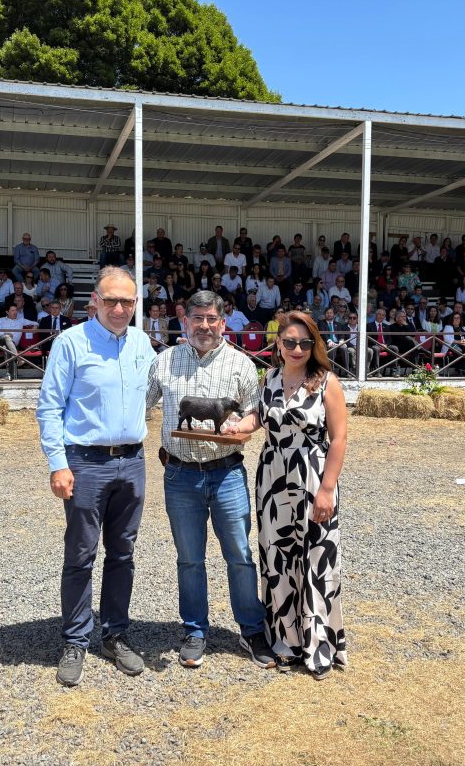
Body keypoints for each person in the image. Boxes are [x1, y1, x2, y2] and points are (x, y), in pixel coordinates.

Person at [145, 290, 277, 671]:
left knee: (240, 555)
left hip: (227, 472)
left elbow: (255, 413)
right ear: (185, 320)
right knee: (189, 559)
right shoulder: (164, 362)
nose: (204, 326)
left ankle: (251, 630)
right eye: (197, 318)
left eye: (211, 319)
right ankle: (194, 630)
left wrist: (243, 428)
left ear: (223, 322)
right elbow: (139, 403)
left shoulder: (240, 364)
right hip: (180, 473)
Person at [37, 266, 154, 687]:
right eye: (111, 301)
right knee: (81, 555)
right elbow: (49, 407)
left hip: (132, 461)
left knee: (123, 554)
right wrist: (58, 463)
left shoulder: (142, 343)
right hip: (85, 462)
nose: (119, 308)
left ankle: (115, 634)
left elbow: (163, 392)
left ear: (136, 303)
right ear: (95, 302)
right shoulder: (71, 343)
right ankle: (74, 639)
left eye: (127, 301)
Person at [224, 310, 348, 679]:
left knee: (314, 559)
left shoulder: (327, 382)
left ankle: (318, 645)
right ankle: (286, 641)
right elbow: (259, 419)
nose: (297, 348)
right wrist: (236, 427)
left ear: (314, 345)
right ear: (278, 342)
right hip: (273, 478)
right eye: (289, 341)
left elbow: (339, 439)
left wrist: (326, 489)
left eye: (305, 342)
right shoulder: (270, 378)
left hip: (312, 478)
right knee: (278, 559)